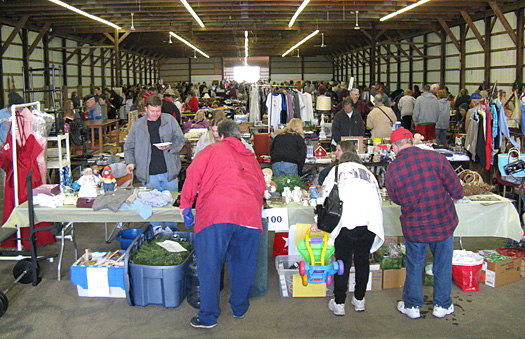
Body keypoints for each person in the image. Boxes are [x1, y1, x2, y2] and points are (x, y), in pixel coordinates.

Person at [179, 120, 265, 329]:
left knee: (209, 266)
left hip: (216, 214)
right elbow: (261, 186)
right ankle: (239, 308)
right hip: (249, 217)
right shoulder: (251, 157)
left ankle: (208, 317)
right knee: (243, 265)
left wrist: (185, 204)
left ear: (220, 135)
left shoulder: (211, 151)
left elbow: (192, 175)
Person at [385, 128, 463, 320]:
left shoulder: (393, 169)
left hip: (414, 226)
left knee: (414, 265)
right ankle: (442, 305)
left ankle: (412, 306)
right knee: (442, 265)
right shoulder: (435, 158)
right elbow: (456, 189)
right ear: (411, 142)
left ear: (394, 147)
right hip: (442, 222)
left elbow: (395, 198)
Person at [311, 151, 384, 317]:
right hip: (370, 223)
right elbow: (378, 199)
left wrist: (318, 219)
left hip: (347, 223)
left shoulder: (336, 171)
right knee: (362, 260)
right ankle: (359, 300)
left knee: (342, 263)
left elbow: (324, 198)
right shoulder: (369, 174)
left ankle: (339, 303)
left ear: (341, 161)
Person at [124, 95, 185, 231]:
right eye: (152, 111)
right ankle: (156, 230)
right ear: (146, 109)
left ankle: (172, 231)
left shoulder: (169, 120)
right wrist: (130, 163)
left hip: (169, 173)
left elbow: (180, 139)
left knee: (170, 207)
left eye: (158, 111)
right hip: (148, 175)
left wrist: (170, 147)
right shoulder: (137, 126)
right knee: (152, 208)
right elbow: (128, 147)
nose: (155, 114)